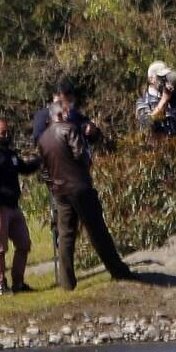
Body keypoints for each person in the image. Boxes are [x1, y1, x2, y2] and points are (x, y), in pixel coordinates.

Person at [37, 103, 135, 290]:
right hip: (79, 187)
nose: (69, 114)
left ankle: (67, 282)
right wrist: (85, 167)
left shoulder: (43, 138)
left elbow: (44, 170)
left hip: (60, 191)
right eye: (66, 112)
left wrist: (53, 185)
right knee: (97, 230)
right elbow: (81, 154)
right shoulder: (69, 129)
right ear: (60, 114)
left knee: (66, 235)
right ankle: (118, 270)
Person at [31, 77, 102, 284]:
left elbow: (91, 136)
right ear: (56, 97)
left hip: (78, 176)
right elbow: (40, 142)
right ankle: (65, 274)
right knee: (62, 226)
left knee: (85, 223)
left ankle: (73, 267)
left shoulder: (75, 115)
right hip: (57, 176)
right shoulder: (43, 116)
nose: (66, 105)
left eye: (69, 100)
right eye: (63, 100)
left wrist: (92, 131)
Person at [0, 118, 40, 295]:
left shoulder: (10, 154)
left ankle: (18, 282)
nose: (7, 135)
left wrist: (40, 160)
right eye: (3, 133)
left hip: (13, 207)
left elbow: (24, 168)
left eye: (8, 132)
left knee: (24, 243)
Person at [135, 60, 176, 141]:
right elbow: (147, 124)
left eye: (166, 78)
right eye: (161, 78)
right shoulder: (143, 102)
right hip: (156, 147)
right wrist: (164, 100)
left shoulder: (175, 99)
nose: (164, 81)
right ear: (151, 79)